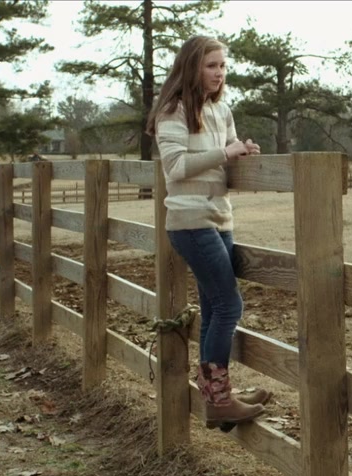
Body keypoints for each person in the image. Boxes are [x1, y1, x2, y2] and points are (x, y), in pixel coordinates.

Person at [146, 36, 269, 429]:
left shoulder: (222, 109)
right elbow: (175, 167)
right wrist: (225, 153)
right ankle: (219, 400)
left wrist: (243, 151)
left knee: (215, 307)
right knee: (229, 305)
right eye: (211, 66)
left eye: (222, 66)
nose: (219, 73)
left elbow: (228, 151)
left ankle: (218, 394)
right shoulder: (173, 110)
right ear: (192, 67)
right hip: (189, 221)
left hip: (219, 218)